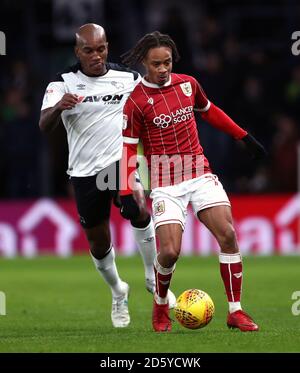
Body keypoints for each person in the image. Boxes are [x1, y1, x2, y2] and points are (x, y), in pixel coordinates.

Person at [120, 31, 266, 332]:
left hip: (200, 174)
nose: (163, 70)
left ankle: (235, 311)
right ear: (144, 64)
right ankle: (160, 304)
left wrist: (243, 136)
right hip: (165, 182)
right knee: (171, 252)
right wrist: (125, 190)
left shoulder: (188, 85)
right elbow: (128, 149)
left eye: (167, 63)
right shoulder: (135, 101)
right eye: (156, 64)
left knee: (228, 234)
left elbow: (209, 112)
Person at [39, 24, 175, 329]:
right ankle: (118, 291)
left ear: (107, 47)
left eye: (100, 48)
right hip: (84, 172)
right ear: (77, 51)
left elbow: (155, 103)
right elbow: (43, 125)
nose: (96, 55)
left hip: (120, 161)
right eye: (88, 50)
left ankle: (154, 279)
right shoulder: (62, 83)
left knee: (138, 207)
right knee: (99, 244)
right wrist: (59, 107)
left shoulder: (128, 78)